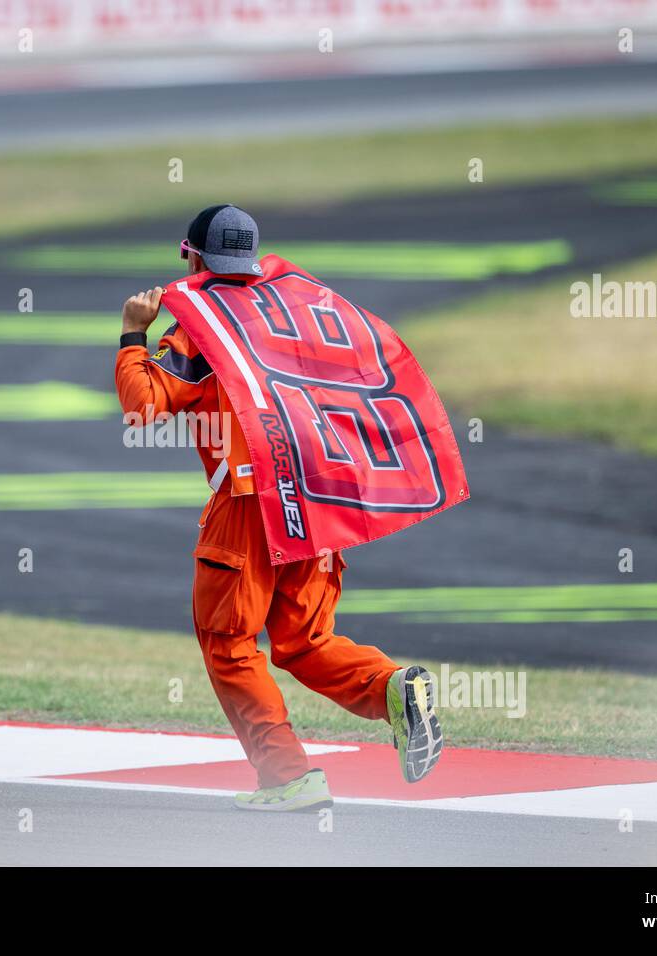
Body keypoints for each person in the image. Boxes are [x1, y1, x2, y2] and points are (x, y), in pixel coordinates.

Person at [113, 204, 443, 812]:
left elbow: (144, 406)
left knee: (230, 644)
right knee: (305, 640)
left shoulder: (200, 326)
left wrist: (135, 331)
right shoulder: (301, 309)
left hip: (247, 504)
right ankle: (391, 688)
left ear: (191, 257)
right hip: (316, 497)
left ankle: (288, 776)